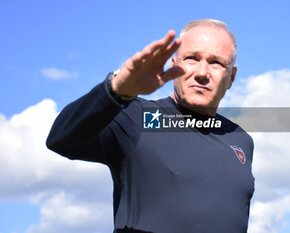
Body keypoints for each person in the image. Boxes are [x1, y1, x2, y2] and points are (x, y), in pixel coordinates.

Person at [46, 19, 255, 233]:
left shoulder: (240, 139)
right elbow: (60, 139)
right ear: (174, 66)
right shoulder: (140, 117)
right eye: (192, 58)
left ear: (231, 77)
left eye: (216, 63)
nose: (202, 73)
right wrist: (114, 90)